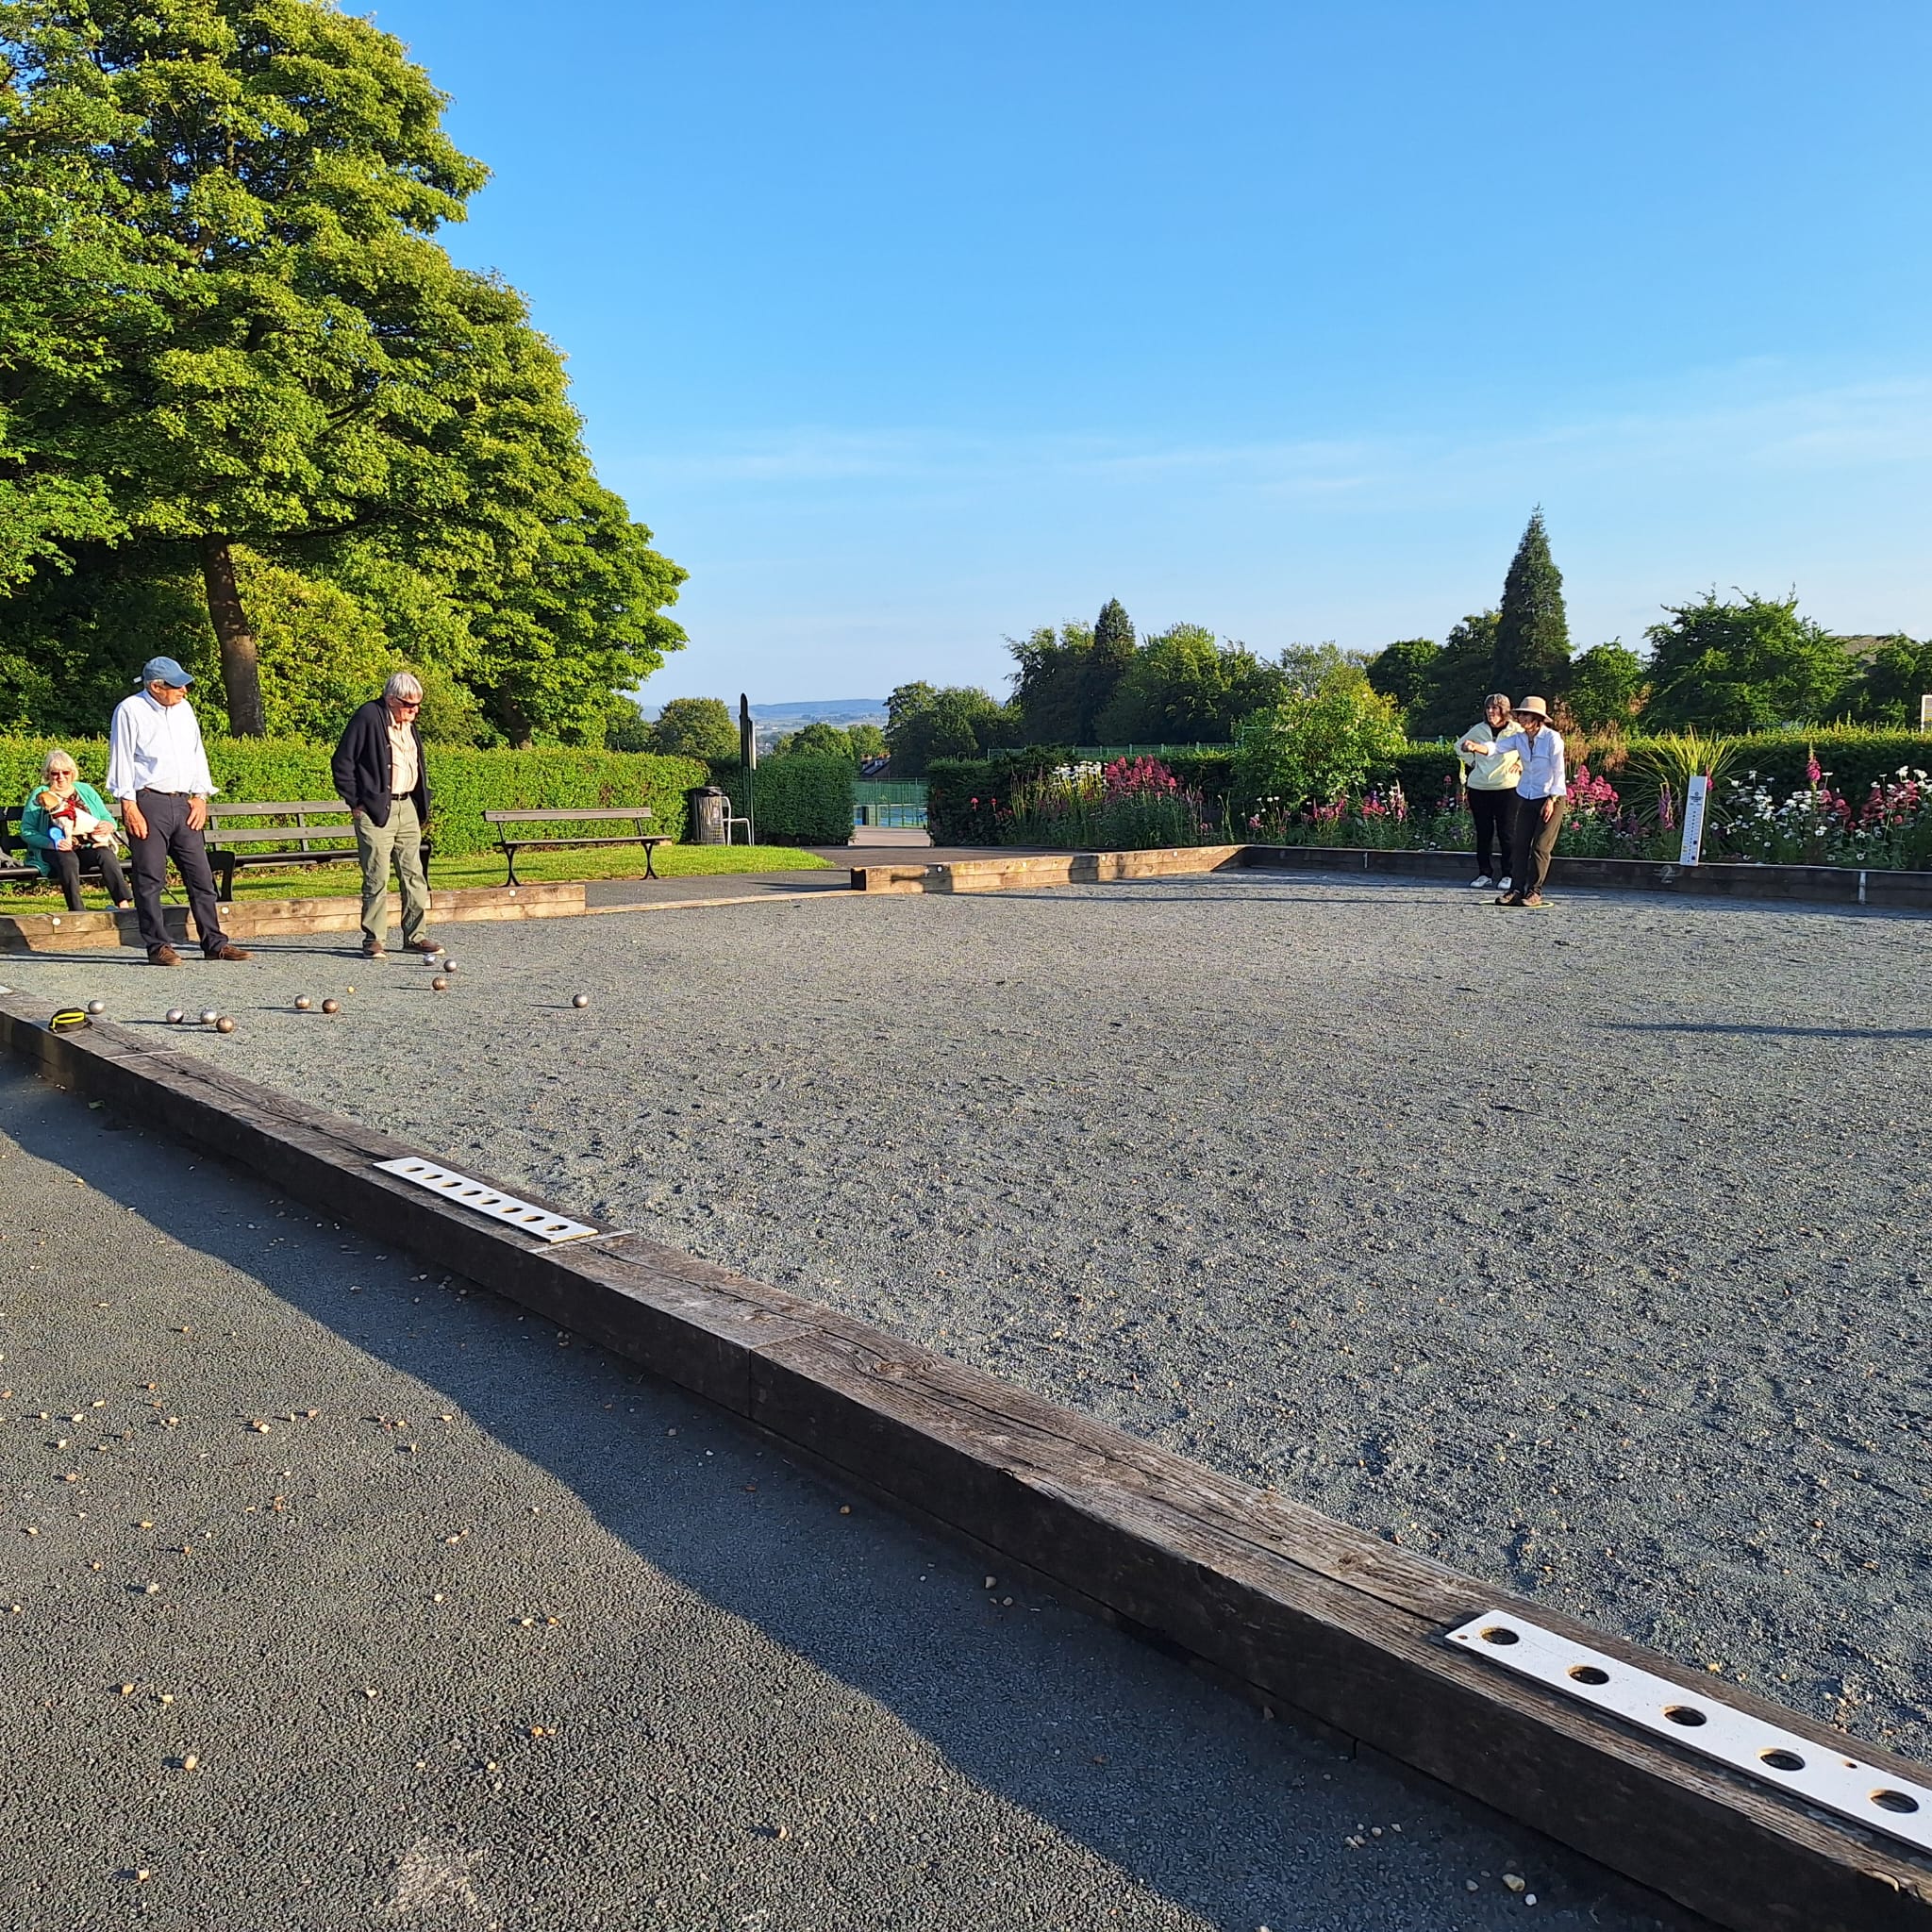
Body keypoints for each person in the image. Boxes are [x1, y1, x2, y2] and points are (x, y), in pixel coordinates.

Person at [106, 657, 250, 966]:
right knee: (150, 879)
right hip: (149, 800)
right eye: (177, 685)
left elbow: (197, 754)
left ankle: (214, 942)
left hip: (185, 802)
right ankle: (158, 946)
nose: (184, 690)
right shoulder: (130, 710)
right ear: (156, 687)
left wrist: (201, 795)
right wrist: (128, 804)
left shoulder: (185, 710)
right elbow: (121, 758)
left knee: (201, 877)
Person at [330, 672, 435, 959]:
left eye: (418, 705)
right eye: (409, 705)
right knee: (377, 876)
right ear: (391, 699)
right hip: (376, 809)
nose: (415, 711)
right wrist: (356, 802)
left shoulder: (408, 725)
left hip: (407, 805)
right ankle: (374, 939)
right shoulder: (368, 716)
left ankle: (415, 936)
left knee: (414, 875)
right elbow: (342, 762)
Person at [18, 748, 132, 912]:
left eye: (65, 772)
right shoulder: (40, 795)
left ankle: (123, 906)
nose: (61, 777)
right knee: (68, 859)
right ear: (47, 774)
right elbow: (27, 830)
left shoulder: (85, 790)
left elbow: (106, 817)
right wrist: (52, 843)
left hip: (86, 846)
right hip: (54, 849)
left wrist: (108, 825)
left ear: (72, 773)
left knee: (105, 854)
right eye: (55, 773)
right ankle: (77, 911)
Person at [1498, 696, 1567, 908]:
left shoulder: (1552, 738)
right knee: (1520, 844)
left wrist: (1552, 799)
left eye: (1526, 714)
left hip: (1550, 797)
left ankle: (1534, 891)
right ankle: (1516, 889)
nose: (1521, 718)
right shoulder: (1519, 738)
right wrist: (1475, 747)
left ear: (1538, 718)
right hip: (1526, 795)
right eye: (1520, 714)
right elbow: (1496, 748)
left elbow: (1559, 772)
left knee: (1540, 847)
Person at [1455, 692, 1523, 891]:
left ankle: (1508, 874)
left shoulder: (1516, 730)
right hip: (1479, 788)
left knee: (1507, 833)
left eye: (1495, 708)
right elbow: (1458, 746)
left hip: (1507, 788)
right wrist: (1472, 762)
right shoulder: (1478, 729)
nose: (1491, 711)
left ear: (1505, 710)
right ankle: (1485, 873)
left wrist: (1520, 764)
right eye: (1488, 708)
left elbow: (1531, 749)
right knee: (1483, 833)